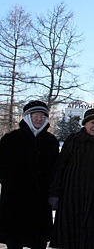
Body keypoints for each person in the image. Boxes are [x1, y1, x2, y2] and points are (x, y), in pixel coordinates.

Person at [49, 108, 94, 249]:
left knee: (92, 236)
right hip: (72, 196)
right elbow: (61, 167)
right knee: (70, 236)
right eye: (92, 122)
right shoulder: (74, 140)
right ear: (85, 124)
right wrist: (55, 193)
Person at [0, 101, 59, 249]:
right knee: (14, 240)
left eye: (43, 116)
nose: (39, 119)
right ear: (27, 117)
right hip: (15, 201)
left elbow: (55, 170)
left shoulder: (50, 142)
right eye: (36, 115)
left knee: (38, 242)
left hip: (40, 201)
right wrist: (10, 185)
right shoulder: (11, 139)